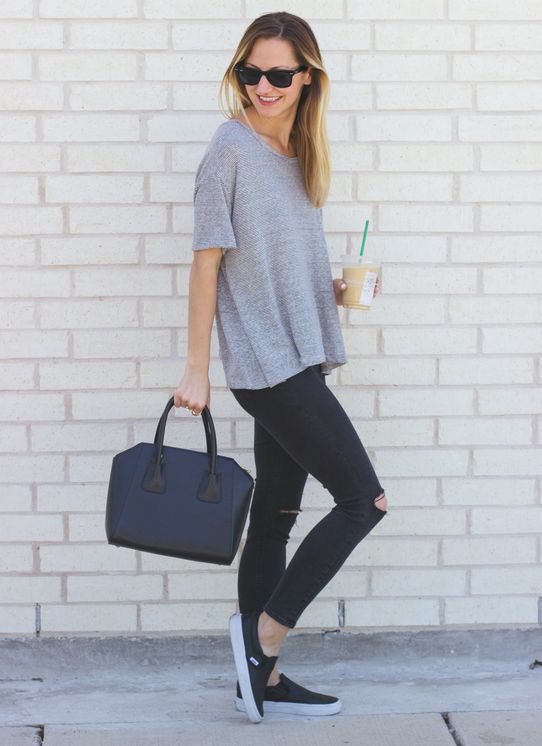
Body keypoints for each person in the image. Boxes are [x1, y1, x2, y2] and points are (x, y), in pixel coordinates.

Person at [173, 11, 388, 724]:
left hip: (300, 353)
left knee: (275, 518)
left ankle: (258, 683)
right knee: (364, 501)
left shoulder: (298, 154)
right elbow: (208, 263)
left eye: (279, 74)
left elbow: (274, 261)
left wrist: (330, 289)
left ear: (307, 78)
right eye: (251, 72)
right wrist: (197, 368)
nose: (263, 86)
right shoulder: (229, 148)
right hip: (268, 364)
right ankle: (263, 640)